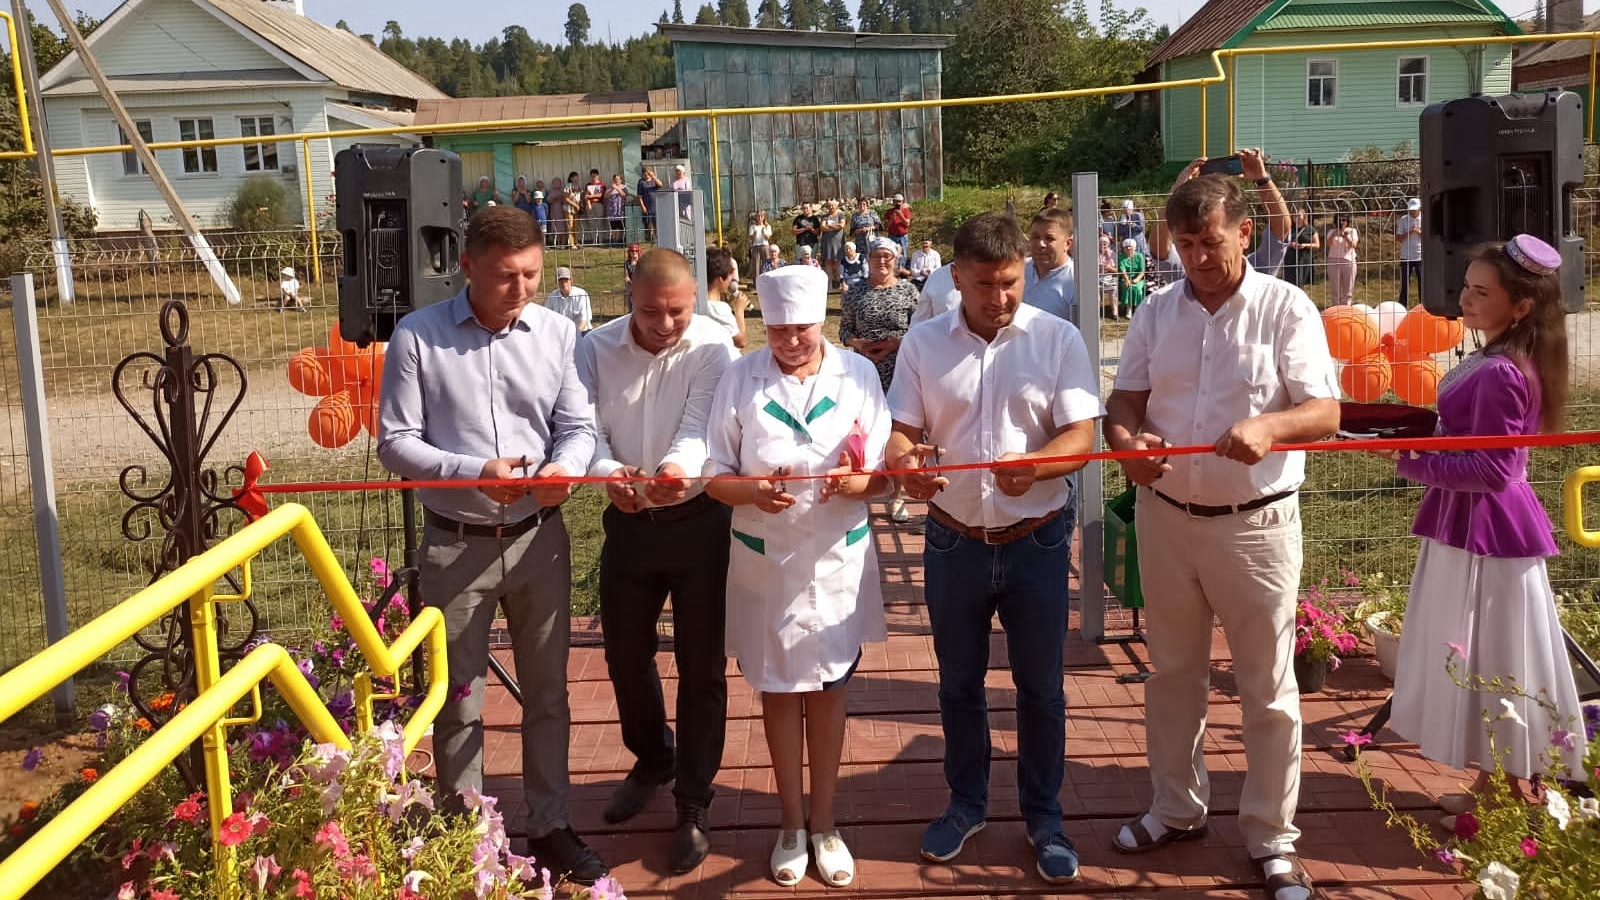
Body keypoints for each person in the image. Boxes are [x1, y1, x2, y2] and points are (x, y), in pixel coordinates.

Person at [1104, 174, 1339, 900]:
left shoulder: (1286, 307)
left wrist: (1271, 425)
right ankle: (1177, 809)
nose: (1198, 258)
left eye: (1210, 241)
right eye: (1185, 244)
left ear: (1244, 231)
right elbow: (1124, 401)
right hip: (1166, 518)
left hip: (1255, 524)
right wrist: (1126, 447)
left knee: (1266, 687)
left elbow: (1325, 411)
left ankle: (1272, 838)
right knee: (1172, 674)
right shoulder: (1154, 311)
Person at [376, 205, 607, 885]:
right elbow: (396, 442)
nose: (522, 288)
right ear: (467, 266)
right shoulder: (417, 337)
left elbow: (578, 425)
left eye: (532, 273)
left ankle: (550, 825)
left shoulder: (558, 333)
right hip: (456, 545)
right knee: (459, 700)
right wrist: (473, 471)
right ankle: (467, 837)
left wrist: (565, 469)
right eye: (507, 275)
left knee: (549, 694)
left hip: (539, 539)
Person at [888, 212, 1103, 885]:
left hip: (1037, 540)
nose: (1001, 297)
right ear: (956, 278)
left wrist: (1039, 467)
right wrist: (906, 467)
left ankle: (1045, 817)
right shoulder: (923, 343)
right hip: (953, 540)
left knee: (1042, 689)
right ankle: (966, 805)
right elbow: (901, 432)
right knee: (958, 685)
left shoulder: (1057, 338)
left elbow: (1082, 436)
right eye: (985, 284)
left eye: (1011, 282)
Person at [1382, 234, 1586, 822]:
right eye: (1466, 287)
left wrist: (1409, 460)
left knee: (1495, 655)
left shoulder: (1502, 371)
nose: (1465, 300)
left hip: (1488, 532)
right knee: (1483, 654)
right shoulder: (1502, 356)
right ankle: (1496, 782)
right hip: (1471, 523)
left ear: (1519, 307)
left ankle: (1507, 789)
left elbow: (1494, 470)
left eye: (1480, 292)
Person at [705, 265, 891, 888]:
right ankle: (790, 823)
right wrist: (754, 491)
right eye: (778, 330)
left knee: (831, 687)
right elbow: (715, 475)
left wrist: (856, 483)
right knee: (780, 689)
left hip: (837, 555)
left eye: (802, 330)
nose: (789, 342)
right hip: (769, 559)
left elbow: (882, 469)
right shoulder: (740, 378)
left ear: (822, 323)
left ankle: (825, 824)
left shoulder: (858, 374)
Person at [578, 249, 738, 875]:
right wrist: (606, 471)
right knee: (623, 654)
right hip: (628, 524)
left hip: (700, 523)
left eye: (677, 312)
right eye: (651, 313)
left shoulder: (714, 348)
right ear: (629, 297)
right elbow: (584, 427)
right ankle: (652, 757)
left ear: (695, 299)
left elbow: (700, 425)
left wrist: (676, 469)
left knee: (702, 667)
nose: (666, 324)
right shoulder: (595, 348)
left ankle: (694, 799)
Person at [1023, 208, 1076, 321]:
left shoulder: (1076, 282)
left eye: (1049, 238)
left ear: (1067, 244)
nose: (1040, 244)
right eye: (1035, 237)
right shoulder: (1018, 270)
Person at [705, 246, 749, 349]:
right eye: (730, 274)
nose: (731, 279)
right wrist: (739, 311)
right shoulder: (719, 309)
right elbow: (741, 341)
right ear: (720, 279)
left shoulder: (697, 302)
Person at [546, 267, 593, 334]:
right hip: (561, 333)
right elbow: (547, 318)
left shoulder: (581, 294)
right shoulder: (552, 296)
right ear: (556, 282)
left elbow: (584, 320)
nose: (564, 283)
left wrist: (574, 335)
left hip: (582, 332)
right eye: (560, 280)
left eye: (566, 280)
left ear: (571, 281)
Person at [1325, 213, 1359, 305]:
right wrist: (1334, 235)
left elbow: (1353, 245)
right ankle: (1335, 307)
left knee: (1348, 288)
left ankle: (1346, 307)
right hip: (1333, 261)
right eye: (1339, 220)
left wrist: (1345, 236)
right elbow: (1328, 244)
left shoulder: (1352, 231)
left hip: (1348, 261)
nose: (1342, 222)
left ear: (1347, 221)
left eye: (1344, 220)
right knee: (1335, 288)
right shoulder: (1331, 231)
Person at [1283, 206, 1320, 288]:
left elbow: (1317, 245)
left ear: (1304, 217)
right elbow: (1282, 243)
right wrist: (1290, 244)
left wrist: (1305, 245)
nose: (1296, 217)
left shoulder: (1310, 229)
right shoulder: (1288, 229)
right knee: (1289, 283)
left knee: (1300, 283)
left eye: (1298, 215)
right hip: (1290, 259)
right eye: (1294, 215)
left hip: (1304, 259)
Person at [1396, 198, 1423, 306]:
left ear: (1419, 209)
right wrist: (1410, 232)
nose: (1412, 212)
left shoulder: (1425, 219)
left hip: (1420, 256)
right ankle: (1403, 305)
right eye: (1411, 210)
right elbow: (1398, 238)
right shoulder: (1403, 220)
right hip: (1406, 256)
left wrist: (1419, 232)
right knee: (1404, 283)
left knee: (1423, 283)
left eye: (1414, 210)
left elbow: (1429, 238)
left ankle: (1423, 305)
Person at [819, 200, 847, 288]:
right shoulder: (825, 216)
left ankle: (840, 283)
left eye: (833, 205)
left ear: (836, 206)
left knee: (838, 262)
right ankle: (829, 284)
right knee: (828, 262)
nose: (831, 207)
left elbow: (842, 225)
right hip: (827, 243)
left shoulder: (841, 215)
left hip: (838, 243)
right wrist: (835, 227)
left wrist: (829, 226)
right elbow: (822, 227)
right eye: (829, 205)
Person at [1117, 237, 1146, 316]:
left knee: (1138, 289)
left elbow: (1142, 270)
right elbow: (1122, 269)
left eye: (1130, 247)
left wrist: (1137, 279)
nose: (1128, 249)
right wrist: (1126, 279)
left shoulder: (1139, 256)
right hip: (1125, 278)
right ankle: (1128, 308)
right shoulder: (1121, 257)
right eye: (1126, 247)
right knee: (1127, 287)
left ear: (1134, 247)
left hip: (1138, 279)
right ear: (1123, 248)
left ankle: (1138, 308)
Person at [1097, 234, 1120, 319]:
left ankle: (1115, 313)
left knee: (1114, 291)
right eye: (1100, 243)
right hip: (1097, 277)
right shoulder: (1094, 253)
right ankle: (1096, 312)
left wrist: (1110, 268)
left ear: (1109, 244)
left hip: (1110, 276)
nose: (1102, 245)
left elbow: (1118, 270)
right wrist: (1099, 268)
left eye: (1105, 243)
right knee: (1095, 292)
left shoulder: (1113, 254)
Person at [637, 166, 661, 242]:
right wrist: (643, 206)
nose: (646, 174)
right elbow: (639, 196)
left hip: (655, 204)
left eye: (648, 173)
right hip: (646, 205)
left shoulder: (654, 180)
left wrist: (653, 176)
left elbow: (660, 185)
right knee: (648, 222)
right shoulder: (641, 182)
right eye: (645, 173)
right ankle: (651, 239)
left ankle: (658, 239)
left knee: (656, 221)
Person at [884, 193, 912, 259]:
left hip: (903, 237)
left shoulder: (906, 211)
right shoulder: (889, 211)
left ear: (902, 202)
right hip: (892, 236)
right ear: (893, 202)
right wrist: (892, 218)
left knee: (903, 255)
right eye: (896, 201)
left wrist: (900, 215)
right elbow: (886, 226)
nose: (897, 203)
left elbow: (907, 224)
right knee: (891, 254)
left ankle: (902, 265)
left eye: (899, 201)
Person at [749, 210, 774, 282]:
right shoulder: (752, 227)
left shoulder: (767, 226)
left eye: (761, 216)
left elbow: (768, 238)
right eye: (758, 216)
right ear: (756, 217)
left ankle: (767, 281)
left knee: (766, 264)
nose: (760, 217)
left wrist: (763, 233)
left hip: (765, 246)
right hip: (755, 246)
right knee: (755, 265)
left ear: (763, 217)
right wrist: (754, 234)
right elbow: (751, 239)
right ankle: (756, 283)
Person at [605, 174, 630, 247]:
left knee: (620, 226)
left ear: (620, 180)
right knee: (613, 226)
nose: (617, 181)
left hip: (620, 210)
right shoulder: (610, 187)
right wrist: (612, 189)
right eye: (615, 179)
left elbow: (625, 196)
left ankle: (619, 241)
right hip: (612, 210)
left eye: (618, 179)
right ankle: (614, 241)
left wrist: (617, 188)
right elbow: (605, 196)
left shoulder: (624, 187)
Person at [622, 243, 642, 311]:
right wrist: (630, 281)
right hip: (631, 285)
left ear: (639, 252)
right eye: (632, 251)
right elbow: (626, 276)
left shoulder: (642, 262)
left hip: (640, 285)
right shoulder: (627, 263)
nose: (634, 253)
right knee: (631, 302)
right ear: (629, 252)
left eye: (636, 251)